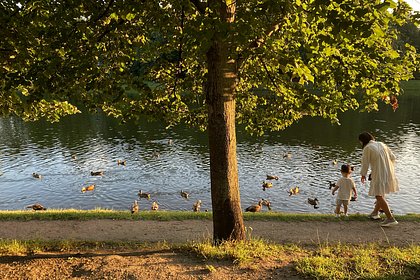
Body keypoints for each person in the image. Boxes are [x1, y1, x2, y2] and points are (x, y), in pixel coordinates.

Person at [358, 132, 399, 227]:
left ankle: (390, 218)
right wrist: (387, 167)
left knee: (378, 195)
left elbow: (365, 163)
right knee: (381, 193)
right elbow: (393, 157)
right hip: (388, 172)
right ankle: (375, 213)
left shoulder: (367, 148)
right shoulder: (381, 144)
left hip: (379, 173)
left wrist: (363, 174)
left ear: (362, 141)